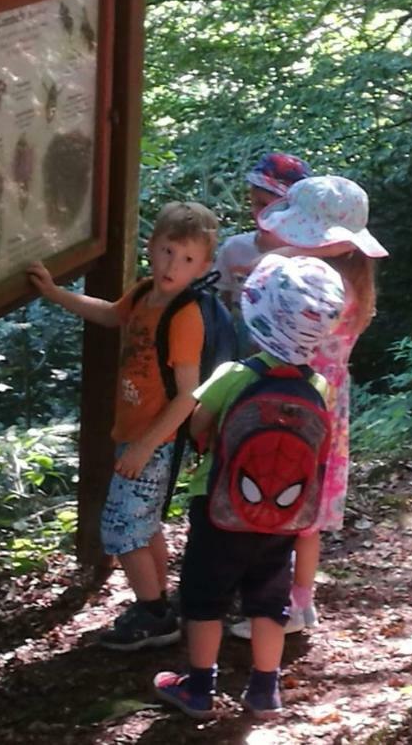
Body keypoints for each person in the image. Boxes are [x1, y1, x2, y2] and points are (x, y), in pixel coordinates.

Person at [153, 253, 346, 719]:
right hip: (283, 518)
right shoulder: (320, 387)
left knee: (204, 597)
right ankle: (264, 689)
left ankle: (198, 688)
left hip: (219, 506)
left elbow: (200, 424)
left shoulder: (234, 376)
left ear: (256, 314)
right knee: (268, 600)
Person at [27, 201, 218, 650]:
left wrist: (146, 446)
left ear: (203, 266)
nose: (174, 265)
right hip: (134, 435)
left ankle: (152, 612)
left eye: (188, 259)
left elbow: (190, 394)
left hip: (155, 441)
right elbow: (112, 313)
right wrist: (56, 294)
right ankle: (161, 604)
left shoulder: (184, 316)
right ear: (152, 246)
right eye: (169, 251)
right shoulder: (146, 293)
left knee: (120, 527)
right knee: (143, 524)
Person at [229, 175, 387, 640]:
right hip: (328, 409)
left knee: (275, 500)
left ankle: (272, 604)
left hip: (290, 405)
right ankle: (301, 601)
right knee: (307, 519)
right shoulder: (355, 284)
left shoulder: (309, 286)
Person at [213, 152, 312, 351]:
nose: (260, 213)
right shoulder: (234, 248)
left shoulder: (309, 257)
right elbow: (220, 305)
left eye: (268, 205)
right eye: (255, 203)